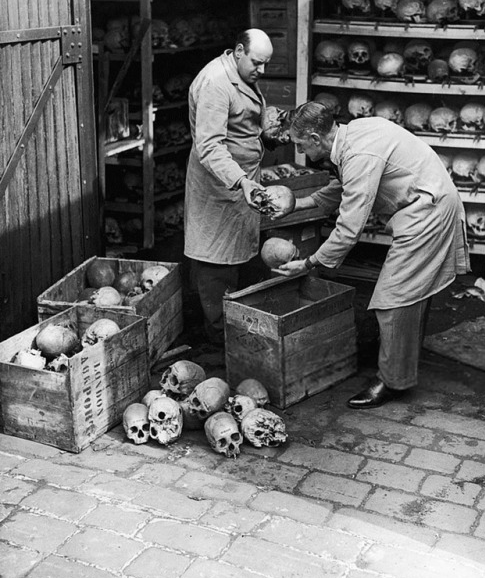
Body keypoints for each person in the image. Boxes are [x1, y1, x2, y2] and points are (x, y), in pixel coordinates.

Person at [274, 102, 470, 409]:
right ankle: (399, 365)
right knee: (411, 295)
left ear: (314, 138)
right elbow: (344, 189)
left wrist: (310, 262)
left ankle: (392, 381)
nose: (298, 151)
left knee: (392, 299)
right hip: (424, 205)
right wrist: (295, 205)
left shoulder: (359, 155)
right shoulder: (352, 136)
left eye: (299, 144)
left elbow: (349, 226)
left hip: (427, 213)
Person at [184, 28, 274, 345]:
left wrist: (265, 134)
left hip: (243, 181)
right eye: (258, 63)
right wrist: (241, 181)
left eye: (265, 65)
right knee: (215, 261)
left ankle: (236, 324)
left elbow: (240, 123)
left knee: (236, 256)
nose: (261, 71)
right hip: (221, 184)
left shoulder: (240, 74)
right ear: (239, 51)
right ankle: (219, 336)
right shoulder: (215, 84)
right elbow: (209, 147)